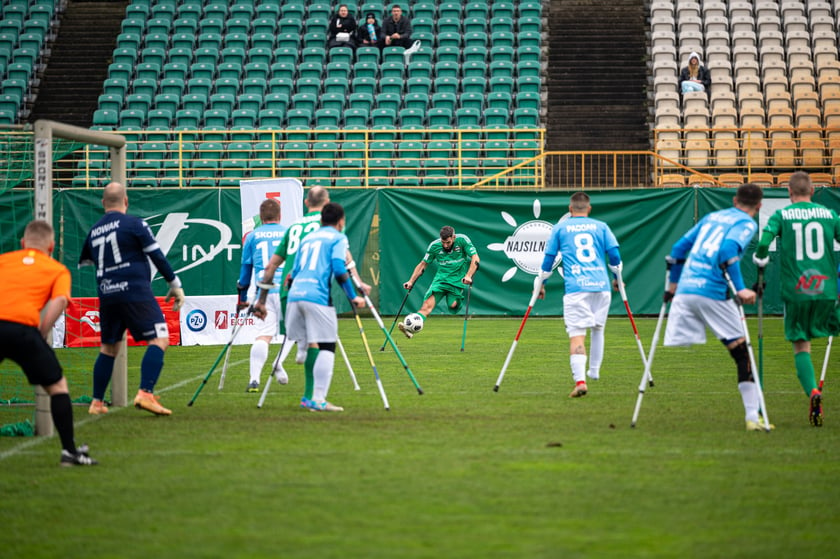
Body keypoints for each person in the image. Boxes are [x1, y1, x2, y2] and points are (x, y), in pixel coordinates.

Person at [663, 183, 767, 431]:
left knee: (736, 348)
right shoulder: (746, 223)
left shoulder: (712, 217)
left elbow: (678, 249)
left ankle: (754, 416)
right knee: (743, 354)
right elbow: (728, 250)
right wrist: (740, 289)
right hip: (711, 292)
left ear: (734, 200)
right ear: (759, 206)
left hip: (686, 290)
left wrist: (673, 285)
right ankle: (753, 417)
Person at [254, 187, 370, 405]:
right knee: (326, 345)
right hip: (317, 295)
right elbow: (342, 262)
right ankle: (316, 397)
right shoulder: (334, 233)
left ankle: (300, 361)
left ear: (307, 202)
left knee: (306, 342)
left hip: (291, 293)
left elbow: (277, 269)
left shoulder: (297, 229)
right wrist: (355, 290)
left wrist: (260, 301)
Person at [79, 182, 185, 417]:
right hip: (134, 290)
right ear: (125, 201)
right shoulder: (134, 223)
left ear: (103, 203)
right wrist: (174, 284)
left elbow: (88, 261)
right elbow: (156, 254)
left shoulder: (94, 230)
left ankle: (96, 402)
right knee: (160, 338)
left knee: (108, 348)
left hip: (106, 293)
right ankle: (145, 392)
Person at [0, 220, 98, 466]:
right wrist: (42, 331)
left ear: (22, 244)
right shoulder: (56, 269)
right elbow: (60, 302)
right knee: (57, 387)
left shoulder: (4, 260)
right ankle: (69, 451)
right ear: (52, 246)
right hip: (24, 330)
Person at [753, 171, 840, 427]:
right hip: (826, 292)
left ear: (789, 193)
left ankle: (813, 391)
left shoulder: (782, 215)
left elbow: (763, 243)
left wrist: (761, 259)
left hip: (797, 291)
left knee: (802, 345)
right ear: (812, 191)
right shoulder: (828, 214)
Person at [537, 192, 622, 398]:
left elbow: (548, 261)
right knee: (598, 328)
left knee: (577, 335)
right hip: (601, 286)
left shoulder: (560, 228)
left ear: (570, 208)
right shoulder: (601, 226)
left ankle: (581, 381)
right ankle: (594, 371)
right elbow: (615, 255)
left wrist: (542, 284)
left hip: (577, 288)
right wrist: (617, 278)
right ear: (589, 208)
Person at [237, 199, 287, 393]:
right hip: (284, 289)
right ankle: (278, 362)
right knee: (296, 332)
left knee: (262, 336)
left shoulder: (252, 236)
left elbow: (245, 272)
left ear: (261, 216)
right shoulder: (288, 233)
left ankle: (254, 379)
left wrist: (242, 297)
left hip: (263, 292)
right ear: (279, 215)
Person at [399, 226, 479, 339]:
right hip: (440, 281)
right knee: (426, 306)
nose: (445, 245)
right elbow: (423, 264)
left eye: (448, 242)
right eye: (443, 242)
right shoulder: (434, 246)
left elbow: (475, 258)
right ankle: (409, 328)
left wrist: (468, 276)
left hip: (456, 281)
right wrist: (411, 281)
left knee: (453, 305)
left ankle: (411, 326)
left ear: (454, 237)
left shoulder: (463, 240)